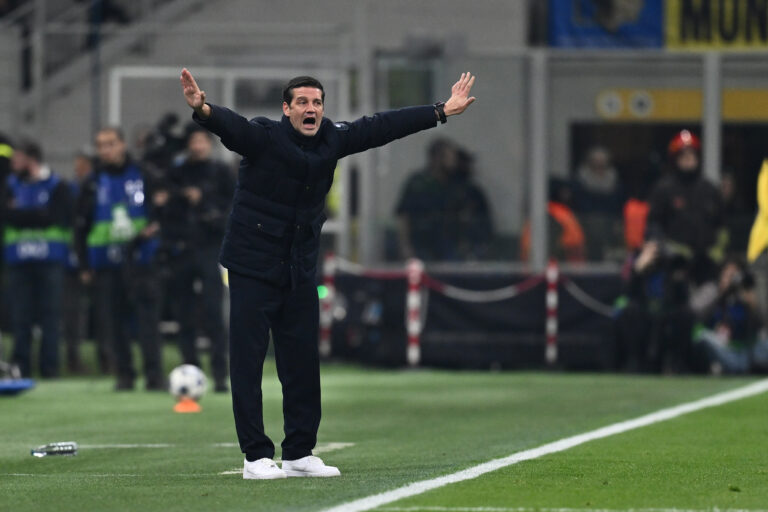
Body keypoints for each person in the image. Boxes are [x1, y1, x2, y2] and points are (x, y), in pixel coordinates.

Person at [180, 67, 476, 479]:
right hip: (251, 265)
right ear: (286, 109)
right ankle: (255, 456)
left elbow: (381, 127)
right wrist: (204, 110)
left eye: (317, 102)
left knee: (302, 363)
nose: (311, 109)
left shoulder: (332, 139)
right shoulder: (265, 137)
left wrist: (440, 111)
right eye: (302, 102)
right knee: (248, 363)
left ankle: (299, 453)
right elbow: (235, 129)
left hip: (298, 267)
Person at [74, 127, 164, 390]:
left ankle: (154, 375)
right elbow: (80, 226)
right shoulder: (91, 183)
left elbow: (163, 210)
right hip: (106, 263)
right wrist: (84, 265)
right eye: (101, 145)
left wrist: (156, 227)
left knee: (148, 320)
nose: (105, 150)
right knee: (115, 322)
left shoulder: (144, 174)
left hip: (142, 260)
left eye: (111, 143)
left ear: (123, 145)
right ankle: (125, 374)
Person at [158, 124, 235, 392]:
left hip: (211, 249)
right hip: (182, 251)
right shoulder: (176, 174)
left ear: (209, 144)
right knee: (184, 315)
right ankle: (190, 369)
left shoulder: (221, 172)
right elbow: (166, 208)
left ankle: (220, 374)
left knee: (214, 313)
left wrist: (205, 204)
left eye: (202, 141)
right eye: (194, 141)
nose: (198, 146)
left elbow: (232, 209)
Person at [2, 140, 72, 378]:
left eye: (17, 159)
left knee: (50, 315)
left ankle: (49, 368)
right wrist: (37, 215)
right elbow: (6, 214)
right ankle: (20, 368)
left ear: (31, 160)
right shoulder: (9, 185)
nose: (12, 164)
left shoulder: (57, 185)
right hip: (19, 260)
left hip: (49, 260)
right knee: (20, 316)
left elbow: (55, 216)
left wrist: (20, 214)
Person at [62, 150, 94, 374]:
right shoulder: (69, 191)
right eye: (77, 166)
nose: (78, 170)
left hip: (97, 260)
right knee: (72, 313)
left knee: (104, 314)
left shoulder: (97, 189)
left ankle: (109, 359)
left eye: (82, 166)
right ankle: (73, 360)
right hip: (71, 263)